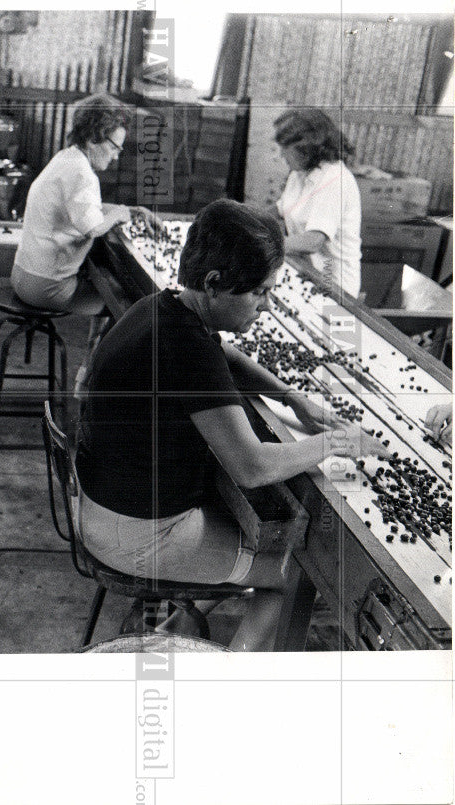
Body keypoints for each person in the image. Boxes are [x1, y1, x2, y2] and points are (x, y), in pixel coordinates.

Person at [75, 199, 391, 651]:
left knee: (256, 530)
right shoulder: (186, 349)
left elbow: (224, 356)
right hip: (135, 535)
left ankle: (181, 619)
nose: (267, 305)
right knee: (297, 568)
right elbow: (254, 468)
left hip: (103, 505)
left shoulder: (163, 308)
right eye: (259, 292)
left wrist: (292, 398)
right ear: (214, 284)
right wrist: (338, 441)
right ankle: (234, 687)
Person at [11, 92, 161, 316]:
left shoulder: (67, 158)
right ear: (94, 138)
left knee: (105, 282)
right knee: (128, 306)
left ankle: (100, 347)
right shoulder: (82, 173)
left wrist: (132, 211)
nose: (115, 157)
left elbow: (86, 210)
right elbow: (93, 228)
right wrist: (119, 212)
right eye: (114, 148)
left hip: (22, 277)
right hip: (45, 289)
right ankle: (102, 351)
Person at [274, 108, 362, 298]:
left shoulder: (335, 179)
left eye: (285, 149)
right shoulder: (300, 172)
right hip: (307, 274)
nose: (281, 155)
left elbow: (312, 241)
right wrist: (240, 218)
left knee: (330, 328)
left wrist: (256, 245)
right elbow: (280, 210)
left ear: (306, 149)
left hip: (335, 285)